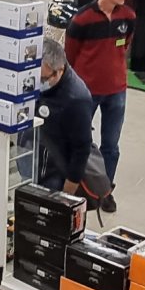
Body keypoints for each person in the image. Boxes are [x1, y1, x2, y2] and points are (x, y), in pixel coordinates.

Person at [65, 0, 134, 213]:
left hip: (117, 91)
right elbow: (70, 56)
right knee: (80, 141)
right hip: (86, 92)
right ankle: (77, 188)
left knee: (111, 146)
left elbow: (124, 46)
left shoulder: (128, 17)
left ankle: (105, 191)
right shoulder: (82, 20)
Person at [36, 39, 94, 194]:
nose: (39, 83)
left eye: (43, 79)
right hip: (33, 161)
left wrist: (67, 194)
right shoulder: (43, 80)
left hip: (55, 176)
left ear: (59, 70)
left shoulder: (77, 99)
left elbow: (82, 149)